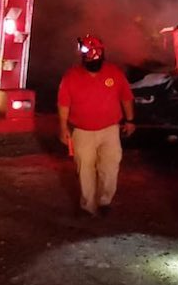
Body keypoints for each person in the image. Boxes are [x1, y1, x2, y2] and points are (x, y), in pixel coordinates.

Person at [57, 34, 135, 217]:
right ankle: (87, 206)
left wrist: (130, 120)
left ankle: (105, 201)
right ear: (83, 57)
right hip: (82, 132)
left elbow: (126, 97)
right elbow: (63, 105)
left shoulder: (114, 73)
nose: (94, 59)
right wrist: (63, 128)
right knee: (85, 169)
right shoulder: (71, 76)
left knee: (110, 167)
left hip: (110, 130)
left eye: (98, 55)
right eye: (90, 56)